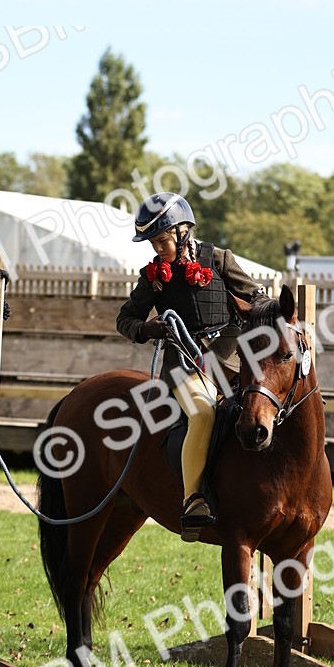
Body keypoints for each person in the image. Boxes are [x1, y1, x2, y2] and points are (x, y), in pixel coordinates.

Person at [116, 192, 266, 539]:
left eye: (162, 240)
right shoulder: (153, 275)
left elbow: (256, 298)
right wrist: (146, 328)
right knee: (203, 414)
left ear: (183, 232)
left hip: (230, 357)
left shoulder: (220, 260)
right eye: (153, 243)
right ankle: (193, 500)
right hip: (183, 363)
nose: (157, 249)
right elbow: (124, 319)